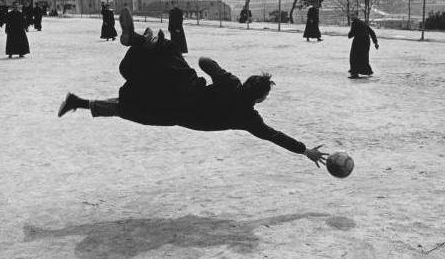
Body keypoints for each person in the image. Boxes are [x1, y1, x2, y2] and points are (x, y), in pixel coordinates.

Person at [58, 9, 328, 167]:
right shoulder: (249, 118)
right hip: (175, 112)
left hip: (182, 83)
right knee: (128, 107)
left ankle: (139, 43)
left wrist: (218, 71)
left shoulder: (231, 83)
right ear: (261, 98)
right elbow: (274, 135)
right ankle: (137, 44)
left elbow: (204, 61)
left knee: (169, 52)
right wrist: (305, 151)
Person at [347, 13, 378, 79]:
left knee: (354, 57)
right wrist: (375, 42)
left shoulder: (354, 22)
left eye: (353, 15)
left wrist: (349, 35)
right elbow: (371, 32)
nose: (351, 17)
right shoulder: (362, 22)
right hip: (366, 41)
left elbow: (351, 34)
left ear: (356, 16)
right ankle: (368, 71)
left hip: (358, 41)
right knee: (363, 57)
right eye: (351, 15)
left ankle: (354, 73)